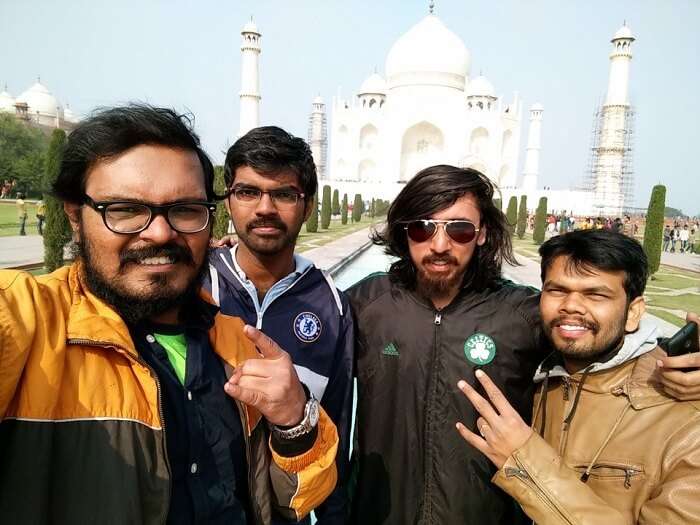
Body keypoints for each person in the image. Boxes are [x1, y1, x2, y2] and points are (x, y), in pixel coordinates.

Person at [0, 105, 338, 523]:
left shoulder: (234, 343)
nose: (160, 232)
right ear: (74, 216)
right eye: (124, 209)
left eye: (184, 210)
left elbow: (292, 501)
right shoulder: (33, 325)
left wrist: (294, 423)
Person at [456, 229, 700, 524]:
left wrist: (525, 460)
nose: (571, 306)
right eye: (557, 290)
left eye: (596, 294)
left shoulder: (685, 418)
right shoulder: (539, 374)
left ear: (634, 312)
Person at [347, 165, 544, 524]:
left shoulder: (521, 315)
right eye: (423, 228)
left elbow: (597, 352)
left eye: (460, 229)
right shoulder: (366, 304)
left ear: (482, 234)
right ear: (405, 232)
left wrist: (669, 363)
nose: (440, 245)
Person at [205, 126, 353, 524]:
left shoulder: (332, 307)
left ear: (306, 207)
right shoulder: (194, 283)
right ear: (229, 201)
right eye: (248, 192)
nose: (265, 207)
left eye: (284, 194)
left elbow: (333, 436)